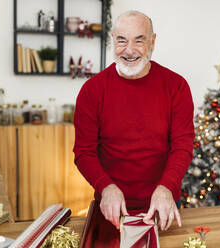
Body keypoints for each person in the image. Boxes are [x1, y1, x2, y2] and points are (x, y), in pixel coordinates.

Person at [73, 10, 195, 232]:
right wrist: (106, 187)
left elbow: (183, 146)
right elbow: (84, 152)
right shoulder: (91, 91)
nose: (129, 50)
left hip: (163, 204)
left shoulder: (177, 86)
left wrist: (166, 187)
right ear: (113, 41)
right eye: (122, 40)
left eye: (139, 40)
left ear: (153, 42)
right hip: (111, 207)